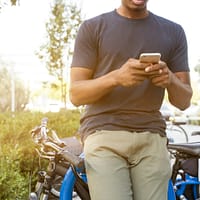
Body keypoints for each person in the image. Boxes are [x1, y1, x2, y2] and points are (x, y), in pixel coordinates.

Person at [69, 0, 193, 199]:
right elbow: (76, 94)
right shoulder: (92, 28)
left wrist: (169, 79)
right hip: (104, 133)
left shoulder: (173, 31)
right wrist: (116, 78)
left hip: (151, 136)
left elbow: (184, 101)